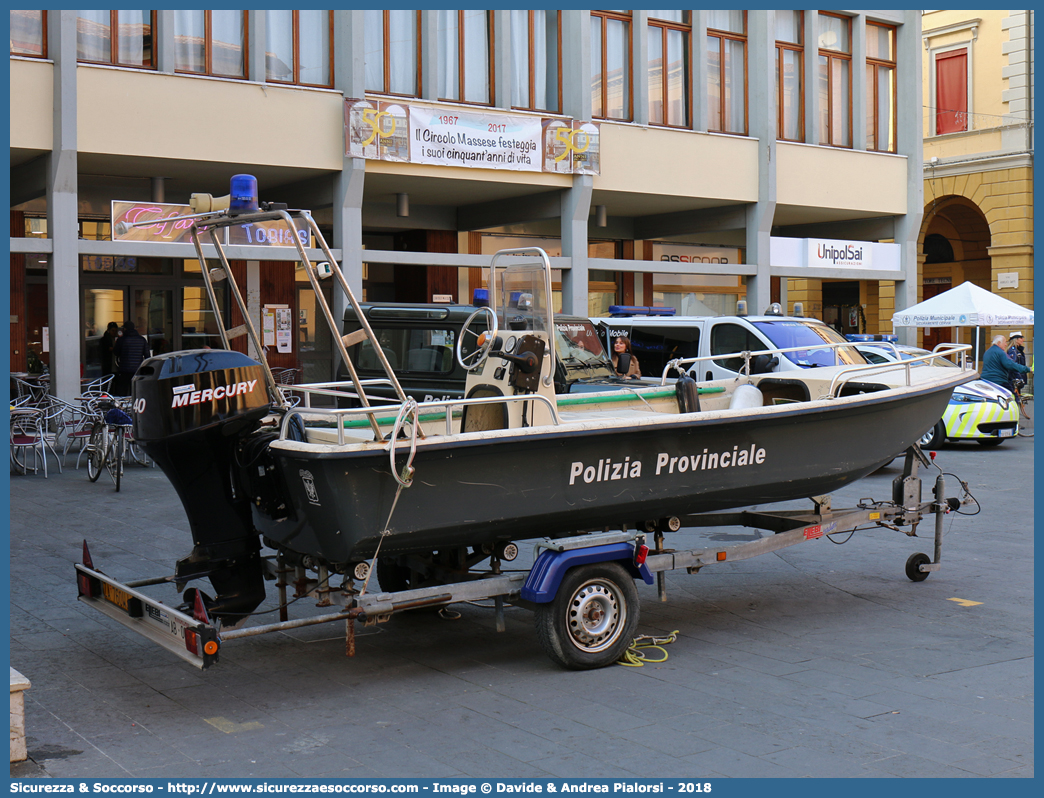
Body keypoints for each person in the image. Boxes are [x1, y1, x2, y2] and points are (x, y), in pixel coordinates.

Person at [112, 320, 151, 396]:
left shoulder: (121, 340)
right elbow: (147, 356)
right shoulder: (142, 340)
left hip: (124, 369)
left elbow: (116, 352)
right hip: (137, 369)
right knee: (136, 391)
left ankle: (124, 406)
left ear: (125, 329)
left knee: (123, 391)